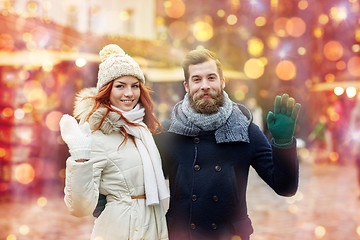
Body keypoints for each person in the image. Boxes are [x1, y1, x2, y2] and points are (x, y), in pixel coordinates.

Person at [94, 48, 301, 240]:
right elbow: (142, 178)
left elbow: (285, 188)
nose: (205, 85)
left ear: (222, 81)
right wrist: (107, 195)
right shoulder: (168, 132)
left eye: (211, 78)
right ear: (187, 86)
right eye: (197, 79)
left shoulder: (245, 130)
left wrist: (282, 143)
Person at [59, 44, 169, 240]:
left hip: (152, 224)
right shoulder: (96, 135)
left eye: (134, 86)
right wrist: (80, 157)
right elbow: (80, 208)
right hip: (121, 229)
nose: (129, 93)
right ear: (107, 91)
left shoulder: (141, 130)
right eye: (120, 86)